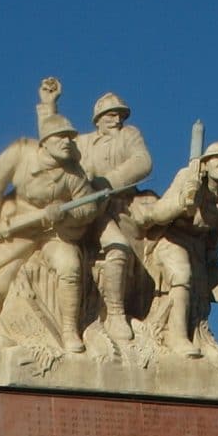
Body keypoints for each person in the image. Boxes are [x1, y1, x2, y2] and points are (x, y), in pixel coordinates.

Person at [0, 79, 107, 354]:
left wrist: (63, 216)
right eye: (61, 138)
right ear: (45, 143)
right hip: (18, 226)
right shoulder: (21, 153)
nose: (68, 142)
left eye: (71, 137)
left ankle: (69, 330)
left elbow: (88, 208)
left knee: (69, 266)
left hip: (54, 231)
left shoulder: (73, 173)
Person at [130, 141, 218, 356]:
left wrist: (213, 248)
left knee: (201, 293)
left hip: (198, 243)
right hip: (171, 237)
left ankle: (197, 336)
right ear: (206, 163)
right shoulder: (189, 176)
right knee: (181, 275)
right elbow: (158, 213)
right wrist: (183, 202)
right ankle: (176, 338)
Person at [77, 92, 153, 342]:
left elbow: (143, 163)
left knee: (127, 252)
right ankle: (110, 314)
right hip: (88, 212)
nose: (117, 119)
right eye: (111, 114)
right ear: (98, 118)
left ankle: (118, 313)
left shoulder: (129, 135)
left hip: (123, 206)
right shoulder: (82, 142)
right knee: (116, 248)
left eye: (120, 114)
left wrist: (107, 183)